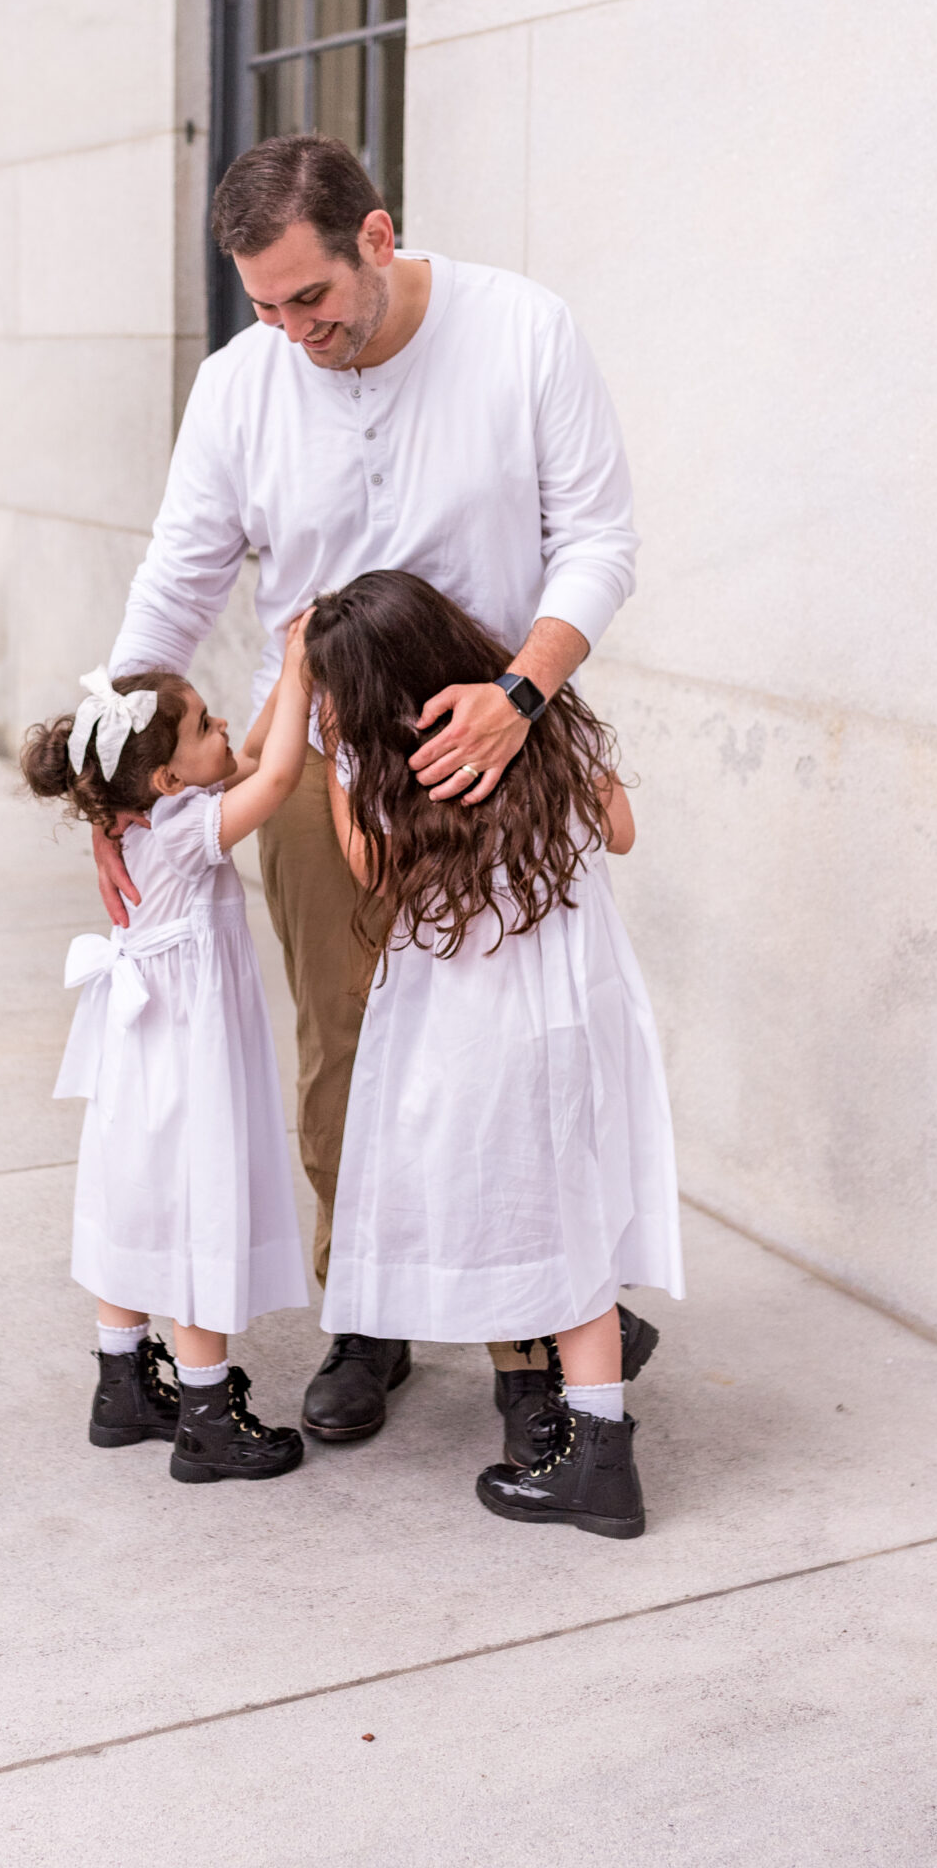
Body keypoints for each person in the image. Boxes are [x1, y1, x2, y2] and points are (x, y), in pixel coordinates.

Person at [101, 132, 656, 1457]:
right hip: (316, 756)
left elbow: (598, 539)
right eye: (265, 307)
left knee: (508, 1053)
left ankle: (537, 1342)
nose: (295, 332)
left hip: (495, 735)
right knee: (343, 1037)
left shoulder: (522, 332)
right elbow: (176, 582)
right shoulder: (242, 387)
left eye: (312, 299)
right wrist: (109, 786)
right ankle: (370, 1310)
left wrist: (521, 698)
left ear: (378, 236)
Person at [306, 570, 683, 1539]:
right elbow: (623, 832)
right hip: (573, 1016)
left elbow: (370, 869)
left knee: (512, 1217)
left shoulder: (384, 765)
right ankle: (593, 1419)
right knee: (570, 1218)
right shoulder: (544, 721)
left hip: (473, 1038)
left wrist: (339, 764)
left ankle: (597, 1464)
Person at [21, 626, 314, 1486]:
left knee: (135, 1199)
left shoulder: (154, 816)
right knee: (196, 1209)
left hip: (137, 1056)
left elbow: (255, 747)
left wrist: (280, 698)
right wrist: (298, 667)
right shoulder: (188, 833)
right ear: (165, 777)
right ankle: (206, 1416)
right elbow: (282, 773)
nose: (222, 726)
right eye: (202, 727)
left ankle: (121, 1387)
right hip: (188, 1060)